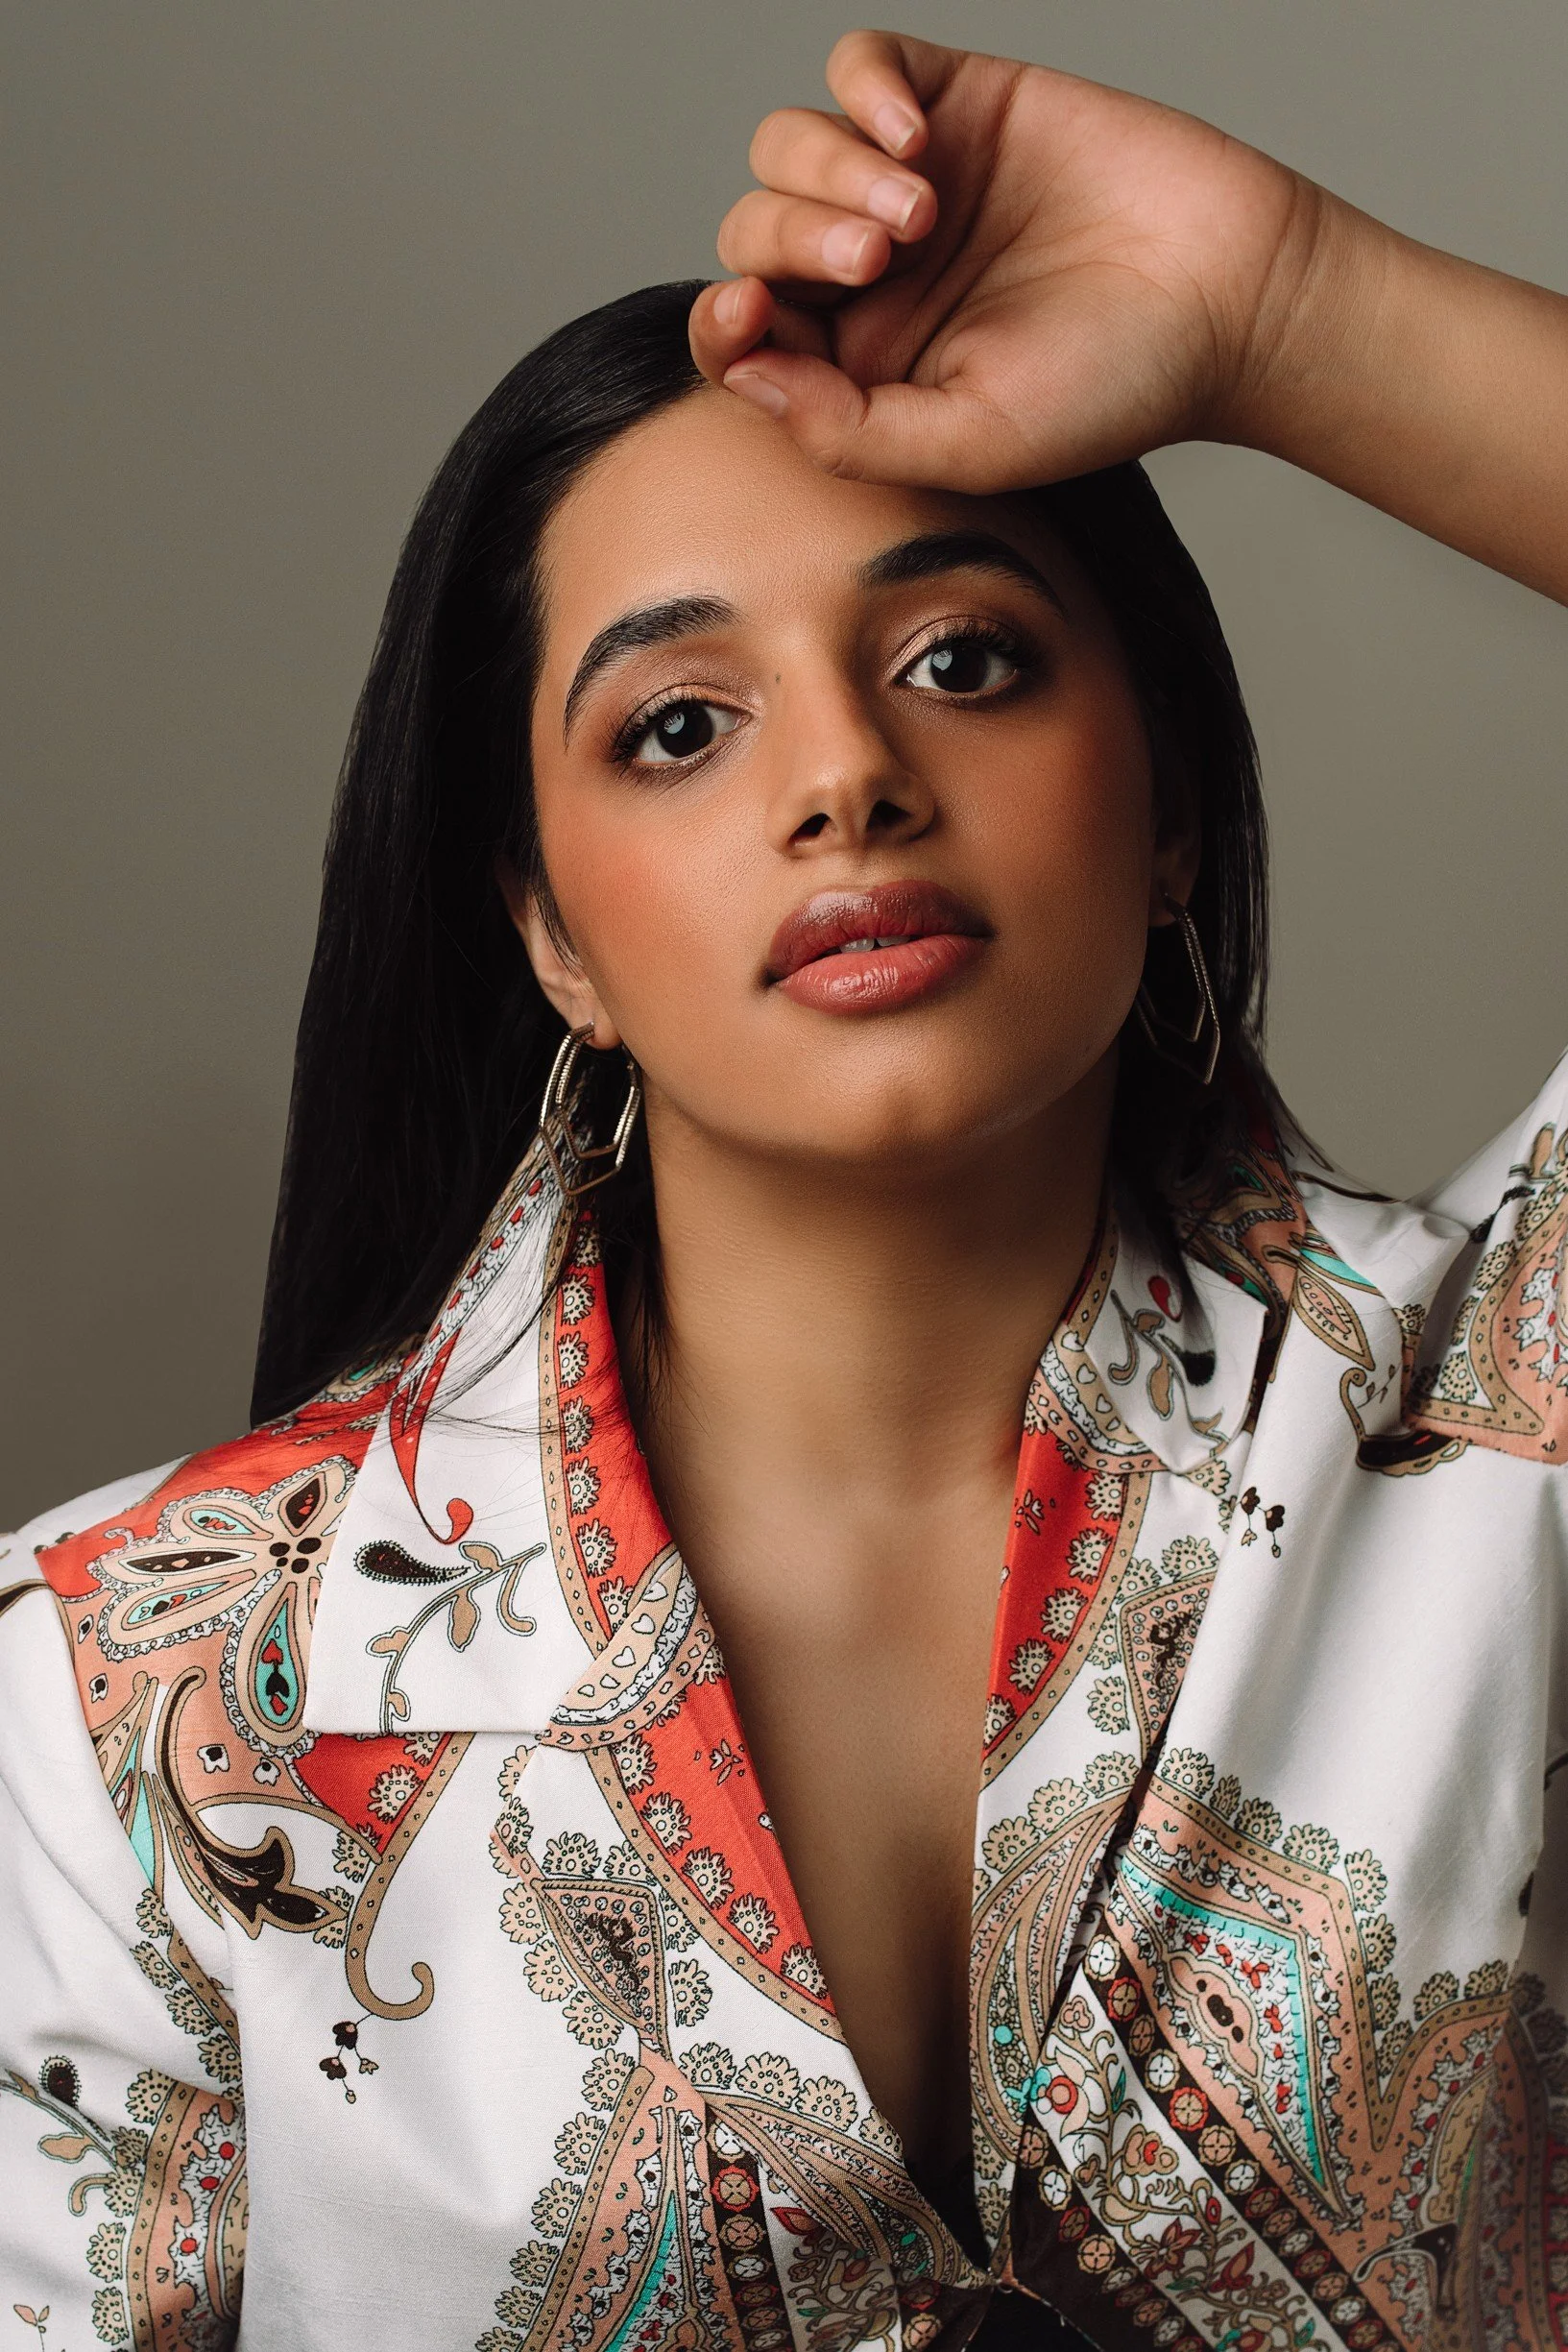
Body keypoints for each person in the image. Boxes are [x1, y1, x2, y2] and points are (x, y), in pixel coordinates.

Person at [3, 27, 1566, 2350]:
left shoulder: (1509, 1444)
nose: (846, 774)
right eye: (677, 724)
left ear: (1168, 822)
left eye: (964, 657)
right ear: (549, 933)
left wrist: (1286, 306)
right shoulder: (108, 1705)